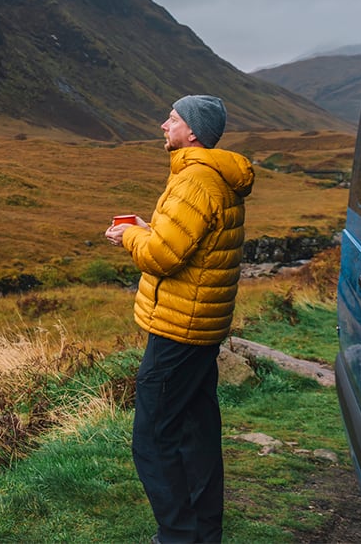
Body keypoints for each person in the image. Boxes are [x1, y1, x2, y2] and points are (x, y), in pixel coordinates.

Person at [104, 94, 254, 543]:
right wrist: (150, 230)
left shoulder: (196, 182)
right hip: (198, 325)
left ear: (193, 131)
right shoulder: (211, 177)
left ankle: (178, 536)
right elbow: (185, 242)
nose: (162, 125)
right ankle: (203, 532)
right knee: (197, 429)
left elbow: (164, 256)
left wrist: (131, 235)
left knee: (152, 438)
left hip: (179, 330)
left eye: (172, 119)